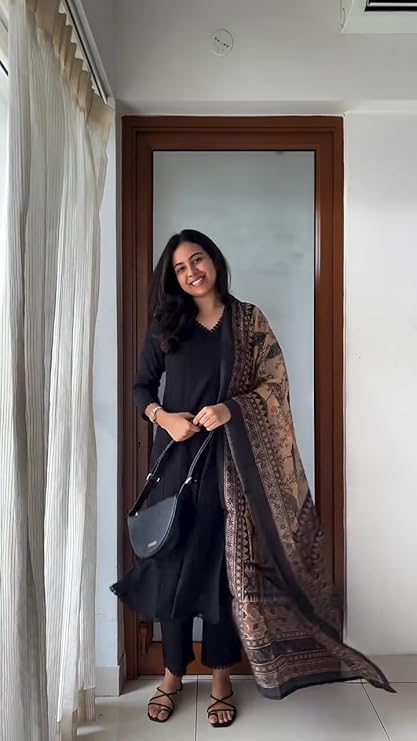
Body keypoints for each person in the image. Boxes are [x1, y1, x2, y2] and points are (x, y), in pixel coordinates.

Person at [111, 229, 393, 727]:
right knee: (171, 571)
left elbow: (275, 385)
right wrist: (163, 417)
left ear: (214, 260)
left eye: (198, 259)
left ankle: (220, 678)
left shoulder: (248, 320)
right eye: (180, 268)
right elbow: (140, 388)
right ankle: (172, 676)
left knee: (226, 573)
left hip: (232, 469)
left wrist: (230, 408)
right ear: (173, 278)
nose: (192, 272)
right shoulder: (166, 325)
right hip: (175, 463)